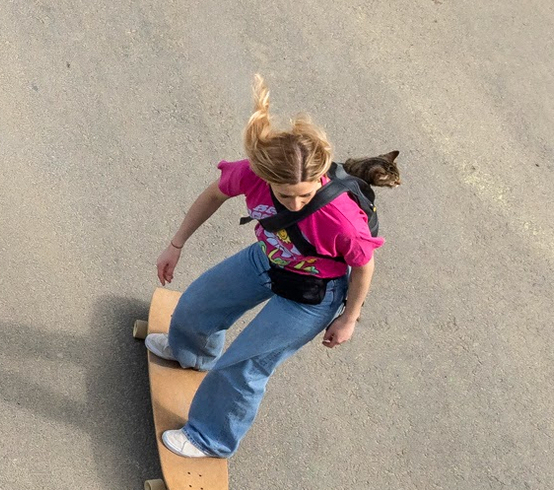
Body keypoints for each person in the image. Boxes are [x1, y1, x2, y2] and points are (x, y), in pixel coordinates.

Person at [147, 75, 384, 459]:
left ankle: (210, 439)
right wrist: (176, 243)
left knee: (242, 367)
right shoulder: (253, 174)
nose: (295, 203)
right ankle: (190, 352)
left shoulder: (342, 221)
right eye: (285, 194)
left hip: (313, 295)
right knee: (195, 308)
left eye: (305, 194)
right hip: (269, 258)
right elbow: (213, 194)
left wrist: (349, 318)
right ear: (267, 177)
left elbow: (364, 266)